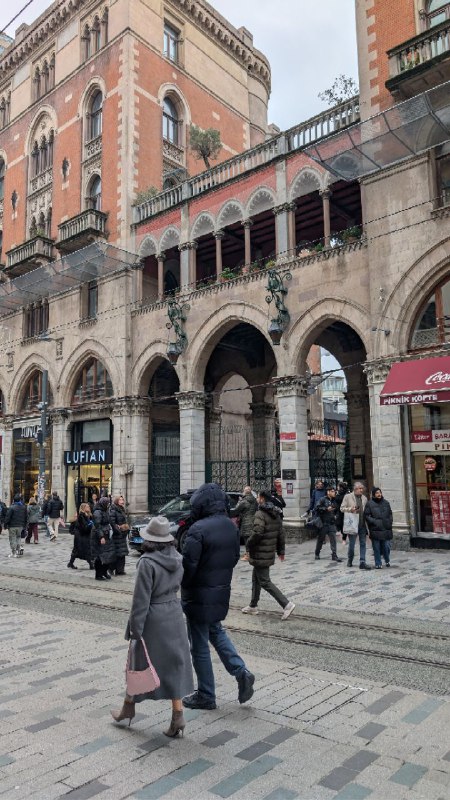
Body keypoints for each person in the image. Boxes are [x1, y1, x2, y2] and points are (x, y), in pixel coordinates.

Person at [111, 516, 194, 736]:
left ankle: (128, 707)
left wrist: (135, 630)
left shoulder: (146, 562)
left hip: (153, 618)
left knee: (138, 662)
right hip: (174, 614)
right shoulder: (178, 558)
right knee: (174, 664)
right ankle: (178, 715)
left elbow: (141, 600)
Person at [181, 482, 255, 711]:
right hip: (220, 590)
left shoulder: (198, 529)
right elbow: (234, 558)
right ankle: (241, 671)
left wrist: (183, 584)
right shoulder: (230, 527)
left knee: (199, 646)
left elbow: (188, 566)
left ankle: (206, 694)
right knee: (216, 631)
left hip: (198, 594)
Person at [242, 489, 295, 620]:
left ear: (262, 499)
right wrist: (281, 551)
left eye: (258, 497)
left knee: (265, 581)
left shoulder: (260, 513)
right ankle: (253, 605)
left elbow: (258, 532)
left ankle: (286, 604)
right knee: (256, 579)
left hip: (260, 552)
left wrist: (248, 543)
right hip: (268, 551)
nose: (257, 499)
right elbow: (281, 534)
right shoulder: (276, 513)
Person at [340, 482, 371, 570]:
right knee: (352, 544)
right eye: (360, 488)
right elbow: (341, 508)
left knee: (363, 543)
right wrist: (351, 509)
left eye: (362, 488)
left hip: (362, 524)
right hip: (352, 524)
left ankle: (362, 562)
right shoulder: (348, 497)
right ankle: (350, 559)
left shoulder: (364, 498)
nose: (361, 490)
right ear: (355, 489)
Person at [364, 487, 393, 569]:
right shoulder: (369, 504)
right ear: (373, 494)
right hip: (375, 529)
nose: (379, 494)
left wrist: (389, 522)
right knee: (376, 547)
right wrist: (374, 522)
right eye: (377, 493)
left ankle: (387, 560)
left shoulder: (386, 503)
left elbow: (390, 514)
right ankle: (378, 563)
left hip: (385, 527)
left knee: (386, 546)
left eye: (380, 492)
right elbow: (366, 515)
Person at [314, 486, 343, 562]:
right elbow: (317, 508)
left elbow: (337, 510)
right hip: (323, 523)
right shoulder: (322, 499)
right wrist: (326, 509)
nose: (334, 493)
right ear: (328, 492)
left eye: (334, 491)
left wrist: (336, 516)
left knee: (333, 540)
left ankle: (334, 555)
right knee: (320, 539)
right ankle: (317, 553)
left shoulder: (334, 501)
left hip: (332, 523)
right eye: (332, 491)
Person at [230, 486, 257, 561]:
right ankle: (252, 553)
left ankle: (248, 555)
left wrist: (239, 501)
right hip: (253, 520)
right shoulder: (254, 500)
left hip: (246, 522)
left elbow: (236, 510)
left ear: (245, 492)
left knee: (246, 539)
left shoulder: (244, 501)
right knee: (251, 538)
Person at [91, 496, 115, 580]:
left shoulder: (105, 510)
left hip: (107, 534)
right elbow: (97, 526)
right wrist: (101, 537)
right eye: (107, 503)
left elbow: (109, 522)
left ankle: (104, 571)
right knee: (99, 556)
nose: (108, 505)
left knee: (109, 555)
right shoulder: (97, 512)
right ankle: (98, 574)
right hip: (98, 537)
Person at [68, 503, 94, 570]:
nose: (89, 508)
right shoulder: (81, 516)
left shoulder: (88, 515)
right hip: (80, 536)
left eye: (88, 507)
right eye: (87, 507)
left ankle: (71, 563)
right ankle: (91, 564)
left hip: (85, 535)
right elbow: (84, 528)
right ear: (83, 508)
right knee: (80, 550)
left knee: (86, 549)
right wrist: (90, 525)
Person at [109, 495, 129, 575]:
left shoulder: (122, 509)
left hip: (122, 534)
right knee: (116, 553)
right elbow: (112, 522)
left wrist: (126, 529)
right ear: (117, 501)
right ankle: (111, 568)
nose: (122, 501)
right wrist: (118, 530)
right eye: (120, 499)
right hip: (117, 535)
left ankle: (120, 570)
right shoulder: (113, 510)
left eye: (122, 499)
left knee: (122, 553)